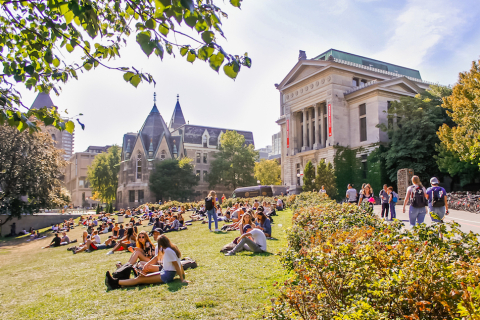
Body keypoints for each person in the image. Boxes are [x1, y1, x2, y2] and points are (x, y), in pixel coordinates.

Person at [105, 235, 188, 289]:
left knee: (139, 280)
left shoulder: (169, 251)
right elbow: (156, 257)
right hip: (164, 272)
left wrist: (182, 279)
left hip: (167, 275)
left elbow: (177, 265)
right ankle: (116, 281)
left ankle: (114, 282)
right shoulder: (165, 249)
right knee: (140, 277)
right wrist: (147, 265)